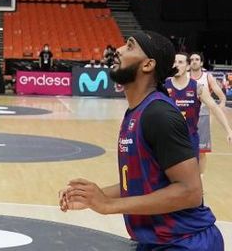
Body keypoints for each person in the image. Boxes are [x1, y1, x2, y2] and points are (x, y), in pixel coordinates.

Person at [60, 32, 224, 250]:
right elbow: (143, 182)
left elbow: (190, 192)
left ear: (148, 65)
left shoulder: (159, 114)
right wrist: (93, 196)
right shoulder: (136, 112)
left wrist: (109, 205)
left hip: (186, 242)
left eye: (129, 46)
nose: (118, 50)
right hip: (157, 241)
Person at [165, 54, 232, 169]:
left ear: (187, 66)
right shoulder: (164, 86)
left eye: (180, 62)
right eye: (174, 62)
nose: (176, 65)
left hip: (190, 139)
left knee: (192, 175)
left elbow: (214, 108)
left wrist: (229, 130)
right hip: (168, 138)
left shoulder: (198, 88)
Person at [189, 52, 229, 174]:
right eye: (191, 59)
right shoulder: (184, 76)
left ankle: (200, 176)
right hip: (187, 117)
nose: (194, 61)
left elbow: (222, 97)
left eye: (197, 59)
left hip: (203, 117)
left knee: (201, 152)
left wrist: (218, 108)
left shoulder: (207, 77)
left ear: (201, 62)